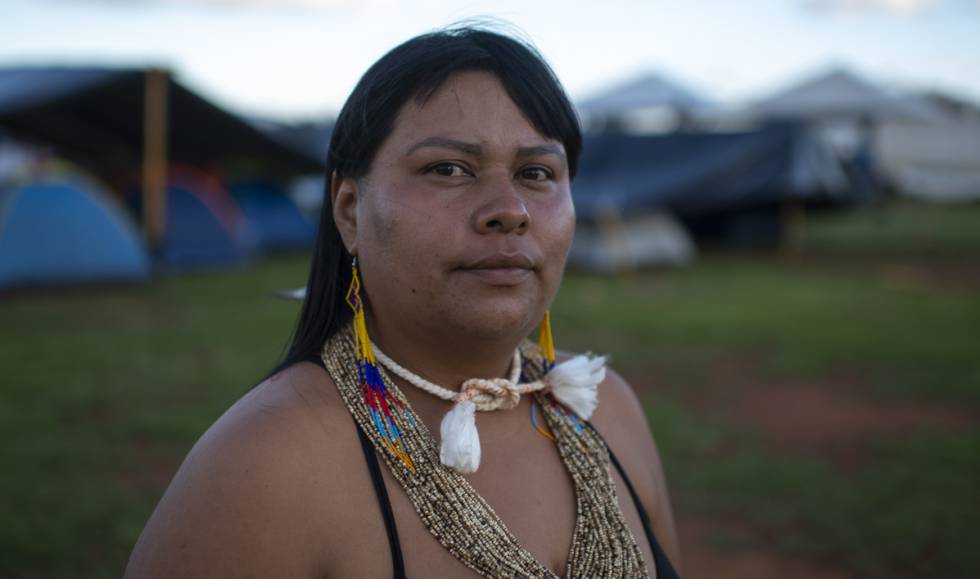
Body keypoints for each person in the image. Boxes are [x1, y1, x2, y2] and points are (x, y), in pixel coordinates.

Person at [124, 25, 681, 578]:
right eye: (447, 169)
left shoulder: (610, 411)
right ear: (349, 211)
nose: (510, 210)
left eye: (536, 173)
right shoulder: (265, 465)